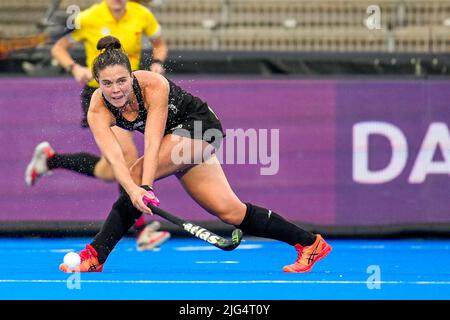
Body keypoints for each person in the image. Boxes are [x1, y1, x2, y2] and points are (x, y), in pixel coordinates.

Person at [59, 36, 332, 273]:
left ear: (132, 75)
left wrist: (143, 186)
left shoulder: (153, 85)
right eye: (107, 84)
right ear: (98, 83)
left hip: (199, 128)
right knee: (230, 212)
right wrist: (132, 190)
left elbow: (153, 143)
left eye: (122, 80)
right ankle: (310, 243)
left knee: (138, 174)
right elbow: (115, 157)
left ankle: (95, 255)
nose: (116, 89)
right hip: (175, 141)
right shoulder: (97, 109)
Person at [25, 0, 170, 250]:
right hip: (101, 97)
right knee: (128, 157)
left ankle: (50, 160)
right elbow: (58, 48)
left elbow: (160, 44)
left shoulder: (142, 15)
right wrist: (74, 67)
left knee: (109, 170)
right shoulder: (89, 17)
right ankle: (141, 229)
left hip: (130, 96)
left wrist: (157, 62)